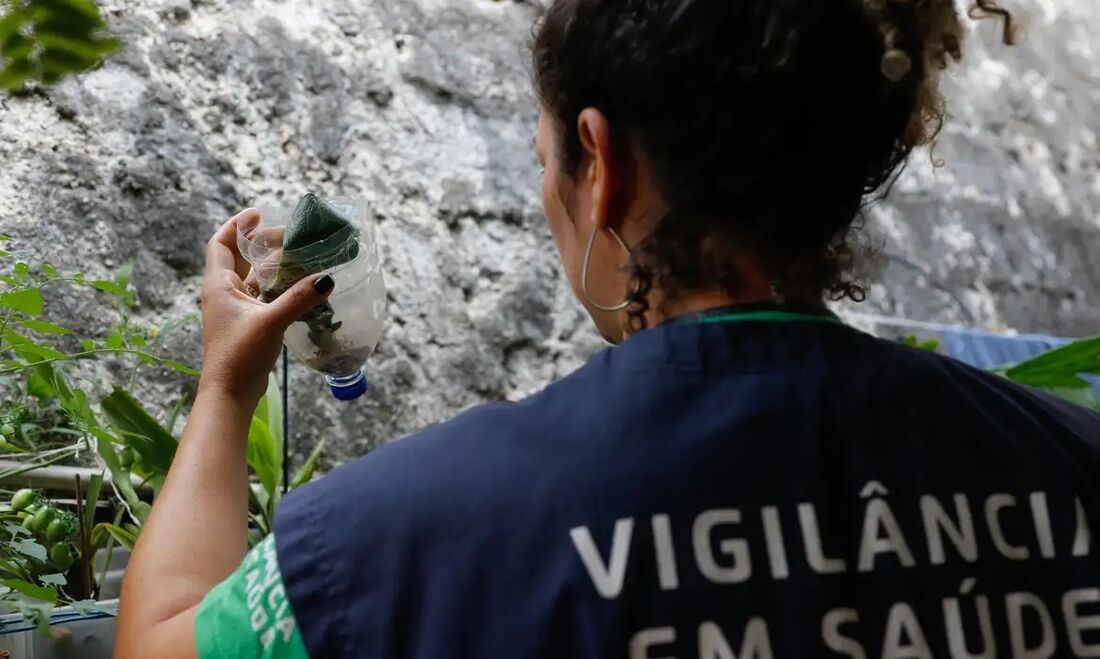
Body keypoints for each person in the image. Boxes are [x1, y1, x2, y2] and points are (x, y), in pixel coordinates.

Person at [115, 1, 1100, 657]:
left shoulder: (388, 543)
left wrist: (224, 386)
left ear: (603, 164)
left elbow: (160, 636)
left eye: (549, 158)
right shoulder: (1070, 462)